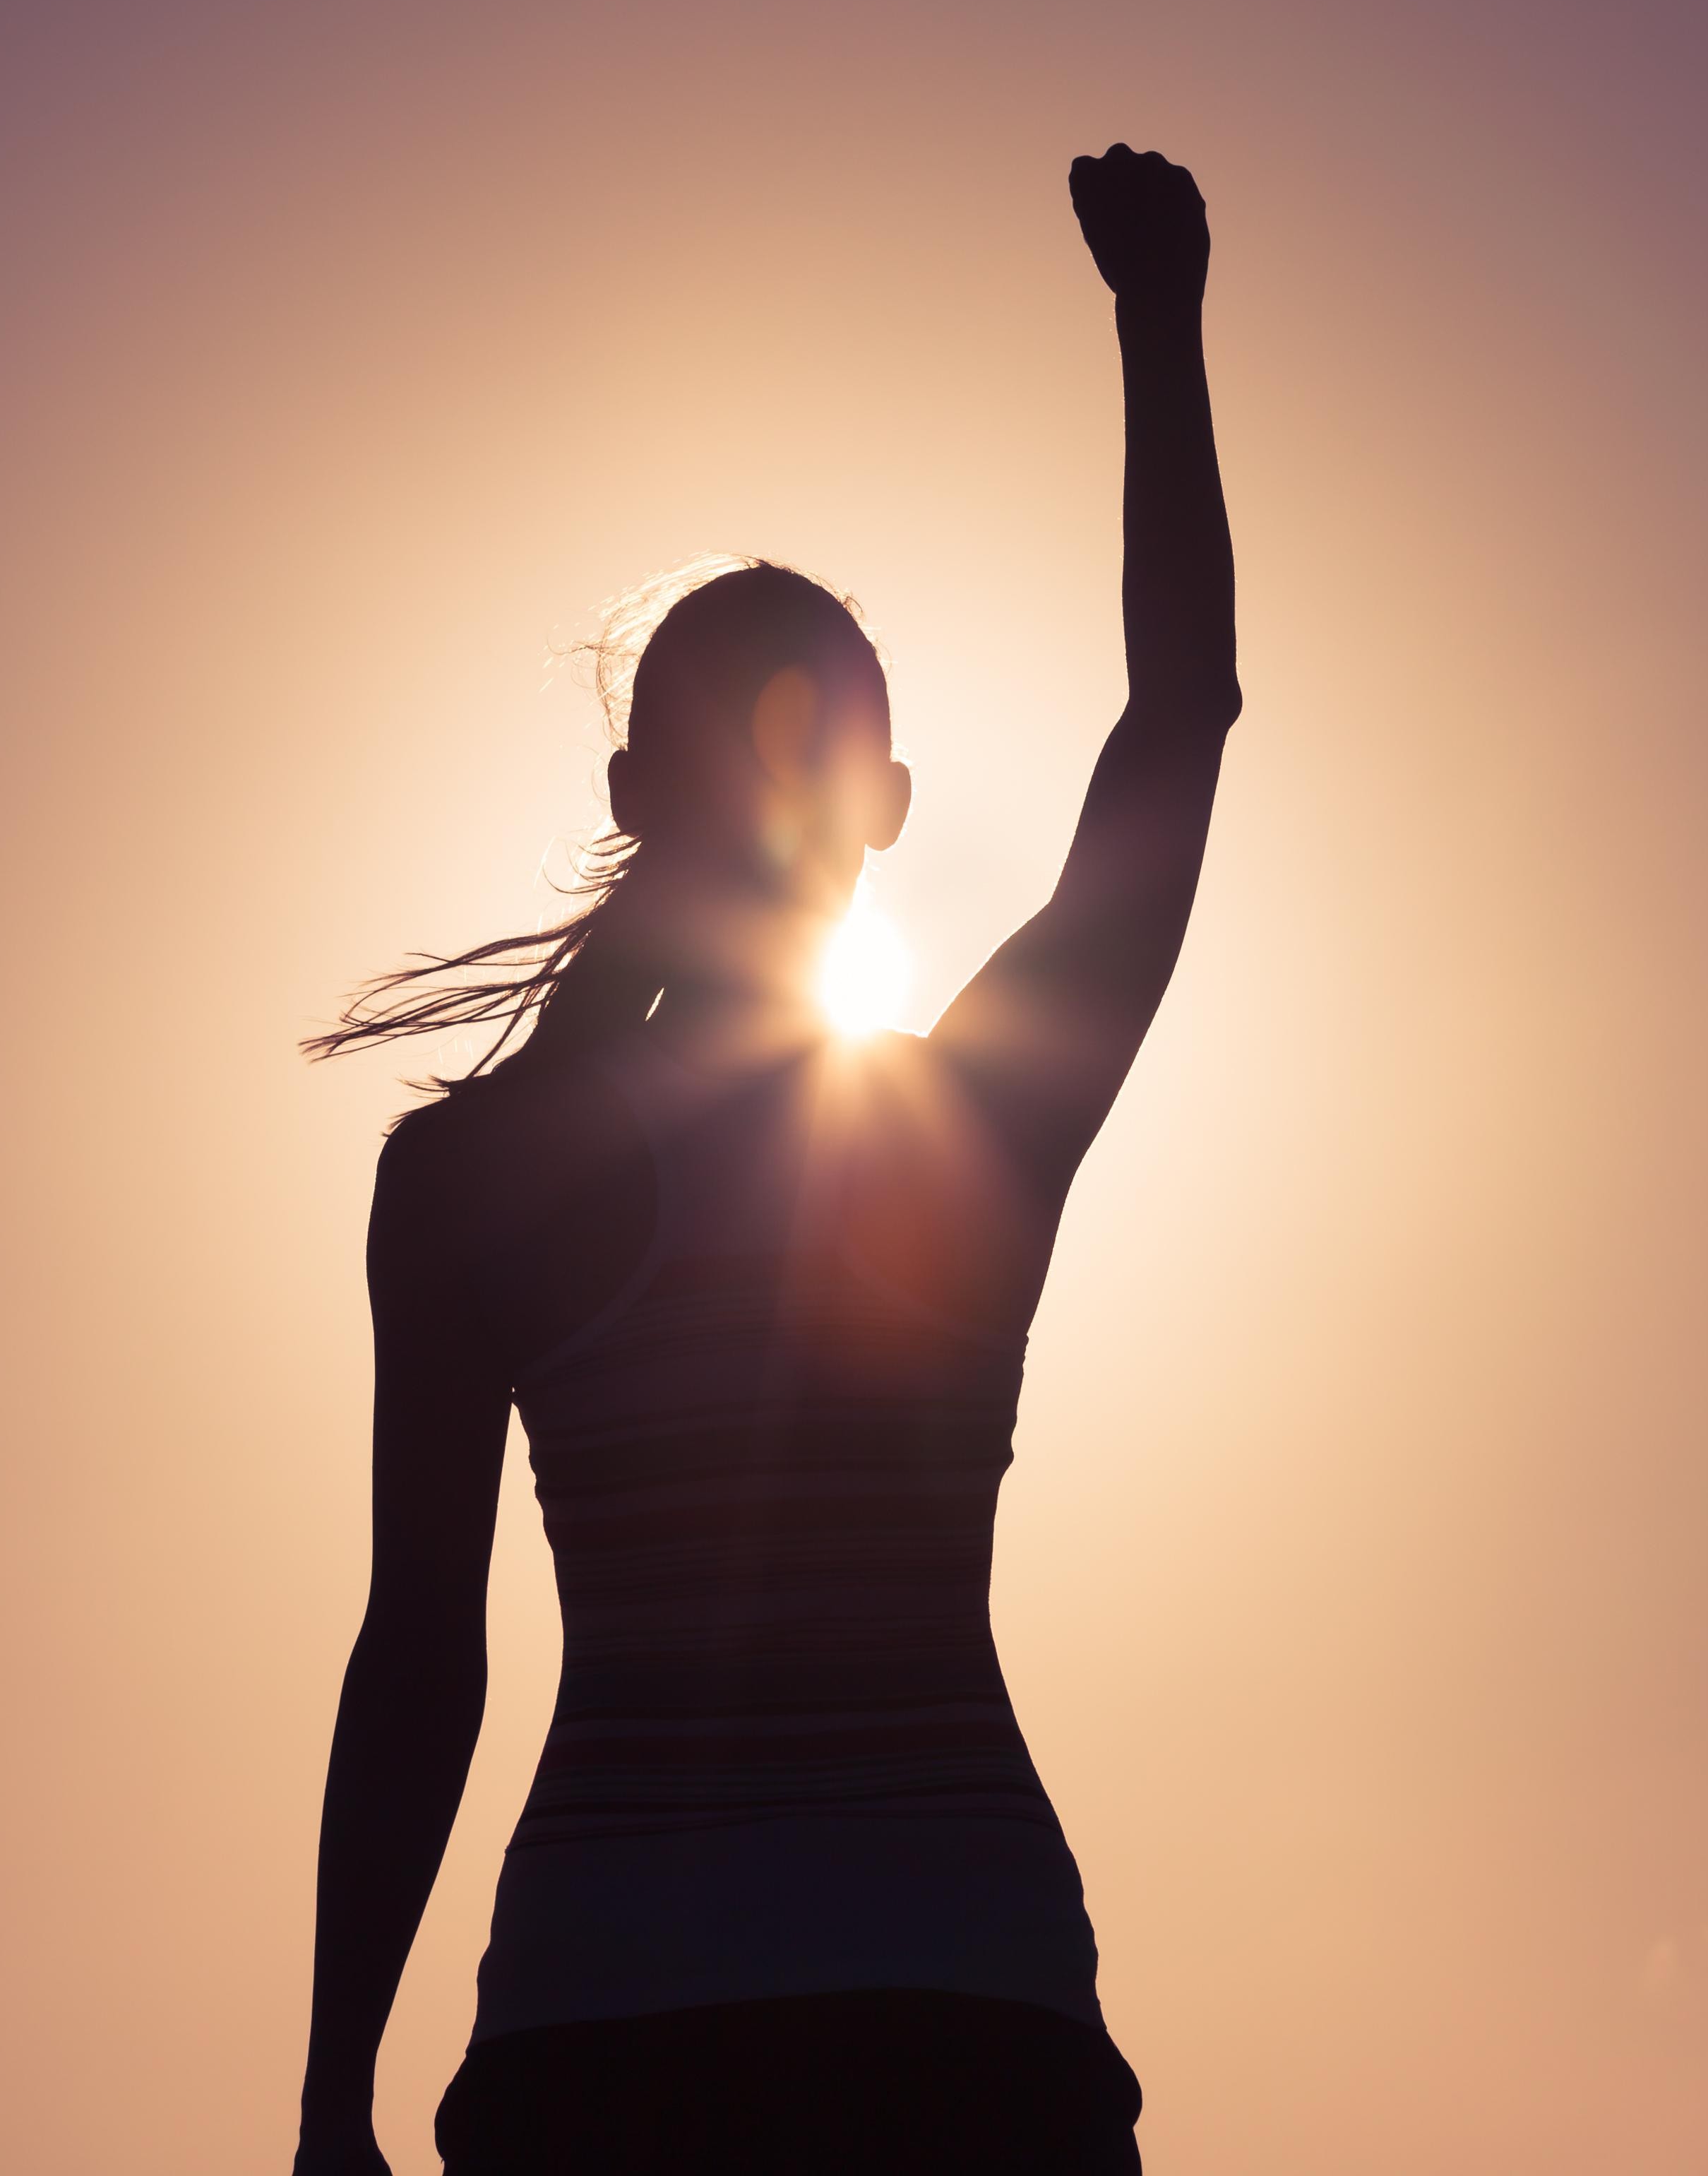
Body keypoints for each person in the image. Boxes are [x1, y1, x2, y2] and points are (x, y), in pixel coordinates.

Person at [294, 146, 1237, 2175]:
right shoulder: (979, 1122)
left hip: (605, 2029)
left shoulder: (469, 1179)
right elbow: (1179, 716)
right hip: (956, 2007)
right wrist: (1158, 323)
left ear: (632, 789)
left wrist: (326, 2102)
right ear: (883, 810)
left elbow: (418, 1654)